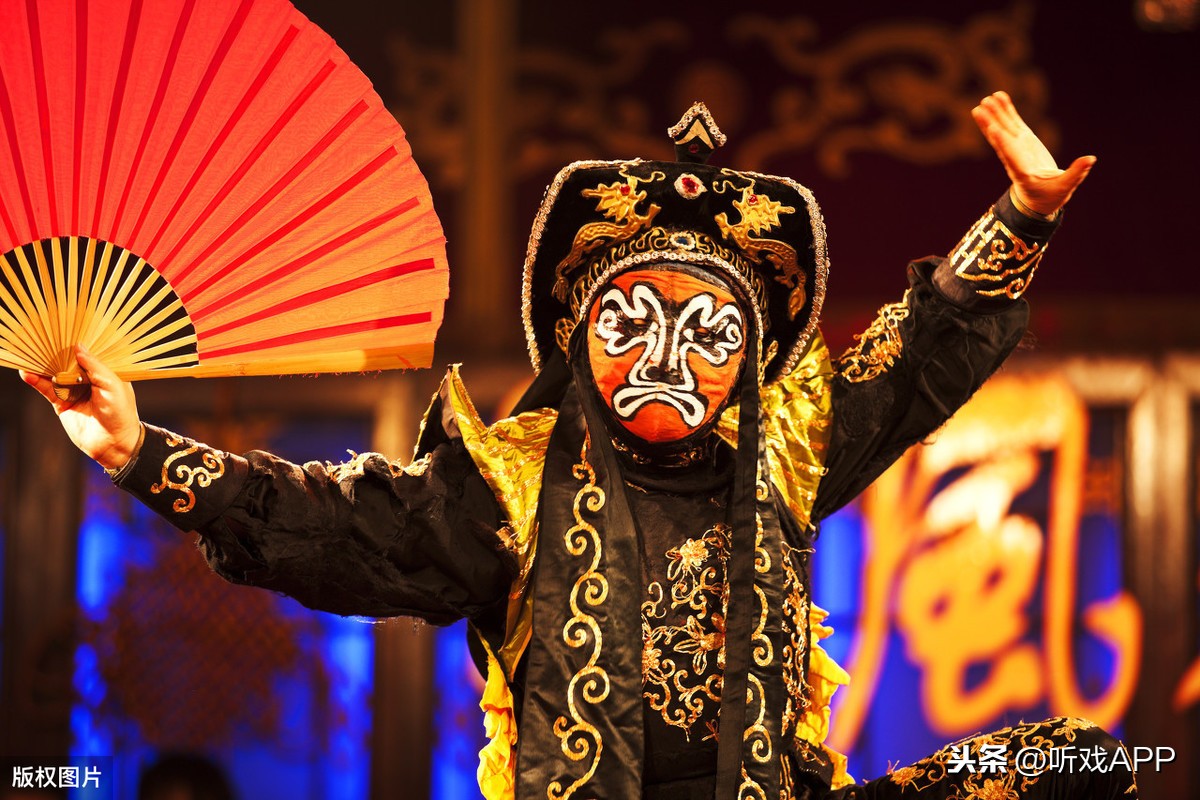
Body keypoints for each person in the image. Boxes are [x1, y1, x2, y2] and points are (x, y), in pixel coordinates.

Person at [23, 92, 1134, 799]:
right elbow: (332, 525)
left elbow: (910, 359)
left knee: (1071, 761)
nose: (667, 355)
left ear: (750, 358)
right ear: (580, 337)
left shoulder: (784, 451)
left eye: (708, 332)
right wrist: (137, 450)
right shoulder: (508, 484)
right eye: (633, 320)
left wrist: (1023, 215)